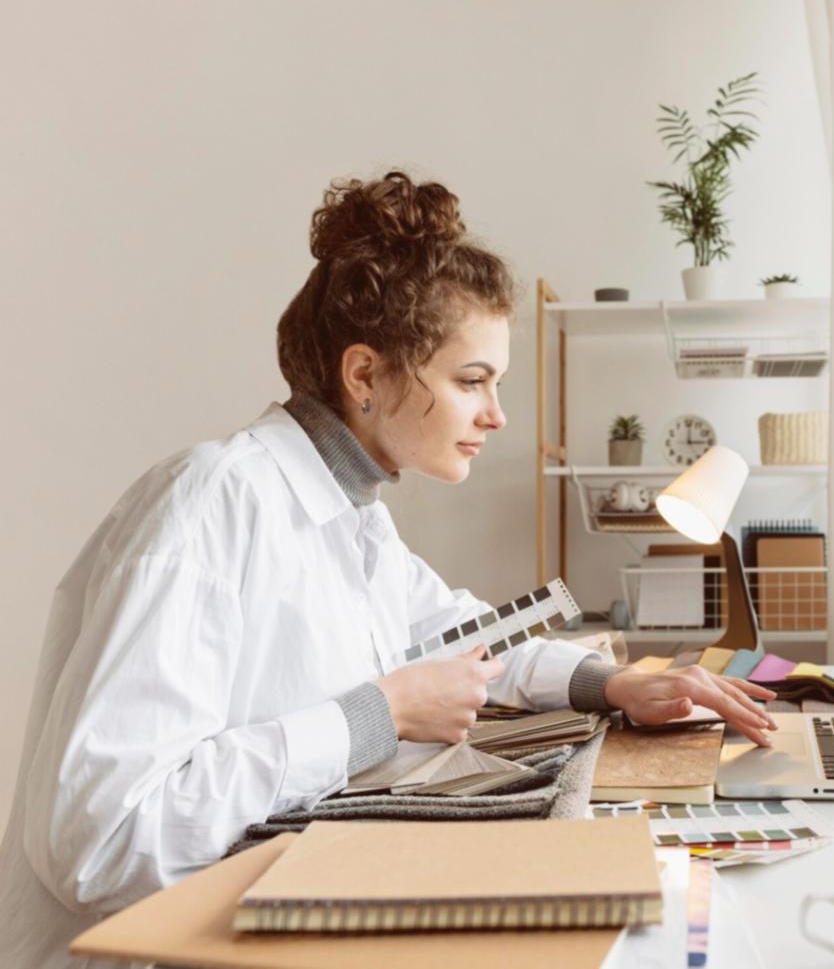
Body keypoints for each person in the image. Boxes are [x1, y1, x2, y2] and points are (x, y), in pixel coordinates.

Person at [0, 171, 777, 968]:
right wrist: (374, 715)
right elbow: (100, 841)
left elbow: (465, 637)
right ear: (365, 375)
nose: (496, 415)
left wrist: (609, 683)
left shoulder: (353, 516)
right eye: (471, 380)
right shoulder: (211, 504)